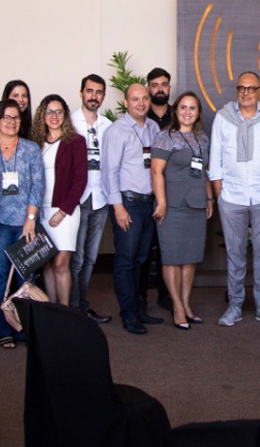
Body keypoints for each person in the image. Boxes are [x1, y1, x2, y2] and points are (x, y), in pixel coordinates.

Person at [208, 72, 260, 327]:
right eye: (241, 88)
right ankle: (235, 304)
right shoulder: (222, 118)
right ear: (237, 90)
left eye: (251, 88)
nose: (246, 92)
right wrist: (220, 192)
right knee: (235, 252)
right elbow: (215, 156)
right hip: (232, 196)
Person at [151, 92, 214, 330]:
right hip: (172, 205)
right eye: (183, 108)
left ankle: (187, 304)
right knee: (172, 258)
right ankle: (176, 306)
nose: (187, 112)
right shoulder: (165, 137)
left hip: (197, 204)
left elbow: (204, 171)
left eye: (193, 108)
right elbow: (156, 172)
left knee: (190, 258)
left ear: (198, 112)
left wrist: (210, 199)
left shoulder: (202, 138)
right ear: (175, 111)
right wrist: (162, 202)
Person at [101, 84, 161, 334]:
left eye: (145, 98)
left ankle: (139, 309)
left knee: (141, 259)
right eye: (135, 99)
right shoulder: (117, 131)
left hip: (149, 203)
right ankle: (128, 314)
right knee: (126, 261)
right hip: (128, 203)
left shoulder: (153, 128)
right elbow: (109, 171)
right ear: (126, 102)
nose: (141, 103)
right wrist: (118, 207)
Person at [0, 99, 43, 348]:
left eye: (16, 117)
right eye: (6, 118)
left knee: (26, 277)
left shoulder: (31, 149)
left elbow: (38, 186)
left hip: (25, 223)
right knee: (0, 275)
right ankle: (2, 328)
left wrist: (30, 220)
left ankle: (25, 329)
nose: (12, 122)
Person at [31, 94, 87, 306]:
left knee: (61, 263)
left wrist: (63, 211)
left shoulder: (76, 142)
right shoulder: (35, 143)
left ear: (65, 115)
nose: (54, 116)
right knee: (45, 263)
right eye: (49, 112)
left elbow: (81, 180)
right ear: (42, 115)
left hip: (65, 210)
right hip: (39, 210)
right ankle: (52, 311)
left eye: (59, 111)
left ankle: (64, 314)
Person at [69, 74, 114, 323]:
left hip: (101, 198)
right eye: (89, 91)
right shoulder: (69, 123)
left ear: (103, 97)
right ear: (81, 93)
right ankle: (74, 308)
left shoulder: (108, 126)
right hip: (79, 198)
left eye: (98, 92)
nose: (93, 96)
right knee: (75, 259)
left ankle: (82, 305)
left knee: (90, 258)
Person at [143, 67, 175, 313]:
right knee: (144, 247)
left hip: (172, 190)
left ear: (169, 87)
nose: (160, 89)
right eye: (155, 85)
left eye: (164, 84)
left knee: (167, 246)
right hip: (144, 190)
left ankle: (167, 295)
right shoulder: (140, 116)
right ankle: (140, 297)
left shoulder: (179, 116)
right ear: (148, 88)